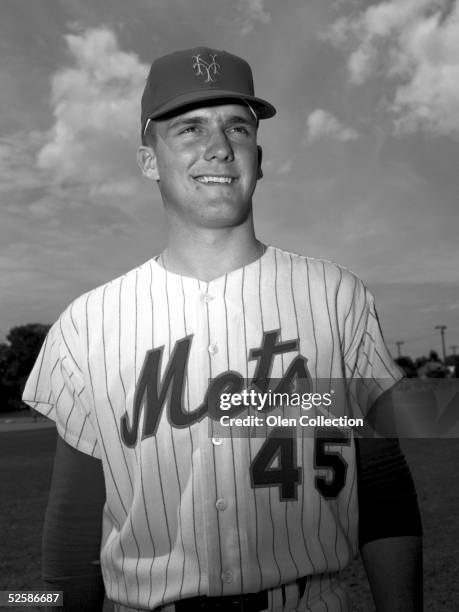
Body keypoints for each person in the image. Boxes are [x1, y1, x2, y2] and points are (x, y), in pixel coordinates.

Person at [23, 47, 422, 611]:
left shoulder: (337, 297)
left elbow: (382, 485)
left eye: (237, 126)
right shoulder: (87, 325)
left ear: (258, 157)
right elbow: (73, 532)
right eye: (188, 128)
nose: (218, 146)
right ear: (147, 160)